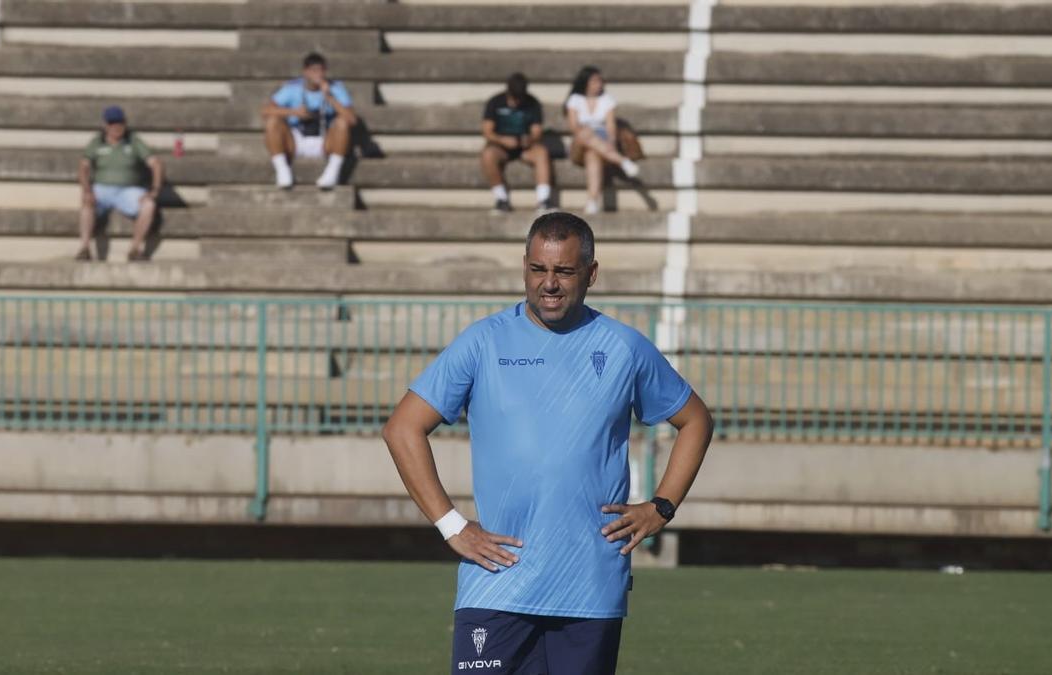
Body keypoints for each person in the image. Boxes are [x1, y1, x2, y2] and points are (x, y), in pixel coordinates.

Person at [382, 212, 714, 674]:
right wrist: (452, 525)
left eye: (564, 271)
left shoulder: (623, 347)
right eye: (538, 269)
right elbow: (402, 428)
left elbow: (695, 420)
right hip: (496, 583)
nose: (549, 283)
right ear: (524, 267)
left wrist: (661, 506)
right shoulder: (483, 342)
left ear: (591, 274)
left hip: (589, 589)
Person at [76, 105, 163, 262]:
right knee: (86, 201)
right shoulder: (97, 141)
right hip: (102, 188)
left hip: (128, 190)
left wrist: (155, 190)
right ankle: (84, 248)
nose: (116, 127)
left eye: (120, 122)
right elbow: (83, 167)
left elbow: (155, 163)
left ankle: (135, 249)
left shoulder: (134, 140)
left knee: (149, 204)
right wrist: (86, 189)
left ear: (125, 123)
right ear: (105, 125)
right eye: (112, 123)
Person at [261, 52, 358, 190]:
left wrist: (330, 97)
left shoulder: (336, 88)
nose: (319, 75)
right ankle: (282, 170)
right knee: (272, 122)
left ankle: (332, 172)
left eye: (322, 70)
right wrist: (294, 112)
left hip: (325, 140)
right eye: (314, 71)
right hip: (297, 139)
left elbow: (352, 119)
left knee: (342, 123)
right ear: (305, 72)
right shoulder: (292, 88)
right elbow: (265, 111)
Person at [564, 66, 641, 215]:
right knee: (585, 133)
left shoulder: (607, 100)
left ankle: (592, 201)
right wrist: (590, 133)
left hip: (600, 143)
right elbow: (574, 127)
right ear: (585, 82)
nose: (599, 84)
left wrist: (610, 141)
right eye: (595, 81)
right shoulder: (575, 100)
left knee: (592, 154)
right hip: (579, 142)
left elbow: (610, 126)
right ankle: (622, 161)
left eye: (600, 81)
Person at [481, 72, 553, 214]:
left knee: (542, 153)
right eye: (514, 98)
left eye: (519, 99)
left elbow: (537, 131)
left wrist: (529, 140)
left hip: (525, 147)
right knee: (487, 155)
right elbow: (487, 132)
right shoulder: (495, 102)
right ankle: (501, 199)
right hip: (500, 146)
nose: (516, 102)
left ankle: (544, 200)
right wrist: (503, 140)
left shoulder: (533, 103)